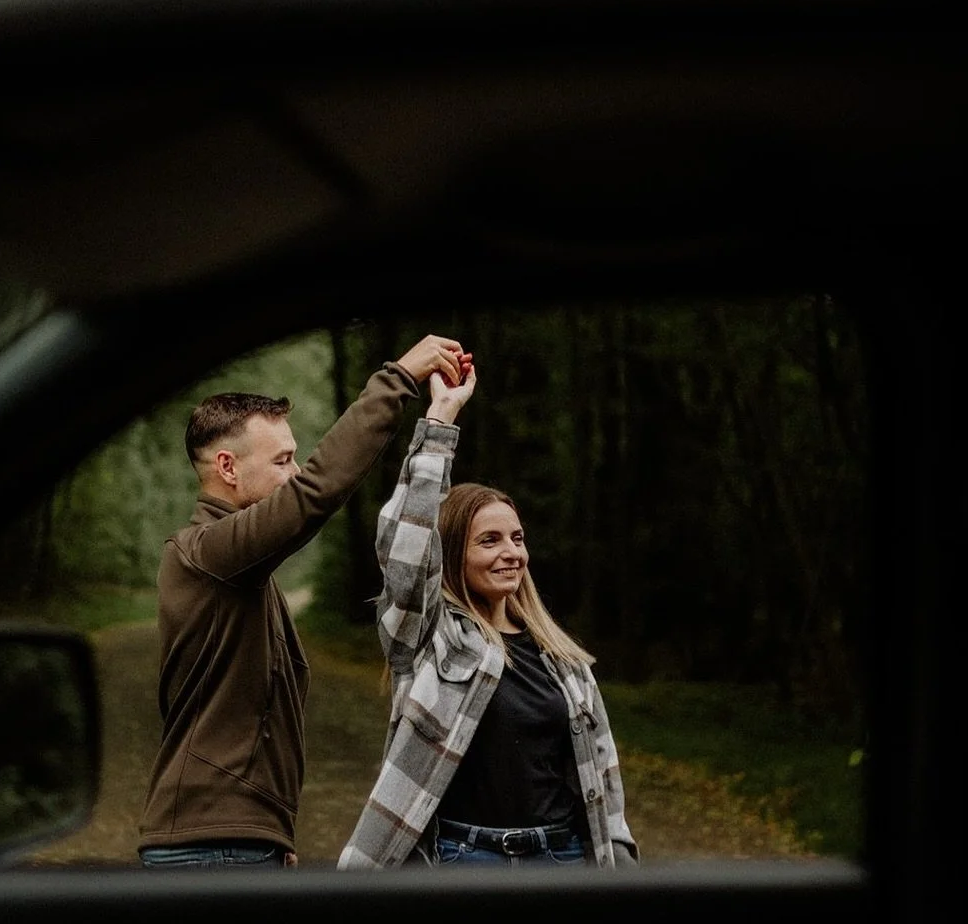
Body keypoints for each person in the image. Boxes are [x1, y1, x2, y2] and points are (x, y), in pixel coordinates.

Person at [138, 334, 468, 871]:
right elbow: (316, 491)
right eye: (283, 460)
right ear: (227, 467)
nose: (294, 473)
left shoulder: (243, 574)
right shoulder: (206, 552)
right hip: (212, 846)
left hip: (237, 839)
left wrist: (270, 829)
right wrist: (399, 379)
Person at [337, 359, 639, 872]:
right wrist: (440, 422)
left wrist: (622, 862)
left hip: (561, 859)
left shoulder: (564, 663)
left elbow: (604, 779)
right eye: (490, 540)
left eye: (517, 538)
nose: (511, 553)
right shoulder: (430, 640)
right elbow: (407, 551)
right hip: (464, 861)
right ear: (452, 553)